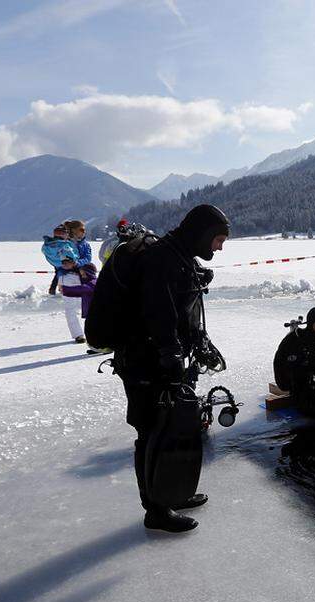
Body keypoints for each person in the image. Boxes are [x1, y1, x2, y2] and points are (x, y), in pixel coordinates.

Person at [112, 204, 230, 533]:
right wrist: (170, 354)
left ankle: (171, 492)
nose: (219, 247)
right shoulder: (162, 260)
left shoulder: (179, 258)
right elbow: (158, 315)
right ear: (203, 234)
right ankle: (156, 510)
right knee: (151, 434)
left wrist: (197, 344)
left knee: (173, 429)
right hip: (144, 365)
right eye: (218, 239)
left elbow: (181, 315)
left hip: (165, 363)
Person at [60, 219, 106, 353]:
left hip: (83, 277)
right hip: (67, 277)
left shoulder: (86, 245)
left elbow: (88, 258)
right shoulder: (64, 244)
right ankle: (78, 335)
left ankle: (94, 333)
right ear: (73, 230)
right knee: (70, 308)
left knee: (90, 306)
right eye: (81, 229)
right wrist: (63, 269)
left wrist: (76, 264)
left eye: (84, 229)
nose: (84, 232)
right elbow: (58, 261)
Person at [41, 224, 85, 342]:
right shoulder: (64, 246)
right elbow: (73, 258)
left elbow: (55, 262)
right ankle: (93, 331)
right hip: (74, 276)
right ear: (62, 234)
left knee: (70, 308)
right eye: (65, 233)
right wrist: (76, 262)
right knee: (86, 303)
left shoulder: (47, 247)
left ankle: (78, 334)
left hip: (62, 278)